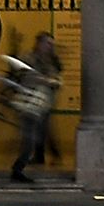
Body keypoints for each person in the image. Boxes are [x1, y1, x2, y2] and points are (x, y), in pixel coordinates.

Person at [7, 31, 62, 184]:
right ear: (39, 44)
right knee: (30, 139)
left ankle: (28, 162)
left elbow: (56, 77)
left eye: (52, 44)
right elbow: (22, 73)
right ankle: (17, 169)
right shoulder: (29, 58)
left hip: (42, 105)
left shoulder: (50, 61)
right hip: (28, 105)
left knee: (36, 137)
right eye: (47, 44)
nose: (50, 47)